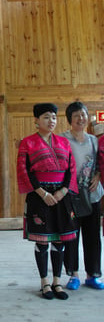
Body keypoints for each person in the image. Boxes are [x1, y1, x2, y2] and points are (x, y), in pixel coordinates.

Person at [17, 103, 78, 300]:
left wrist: (63, 191)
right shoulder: (27, 143)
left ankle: (57, 281)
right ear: (36, 120)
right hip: (39, 196)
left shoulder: (64, 143)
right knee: (42, 241)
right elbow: (24, 170)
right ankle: (44, 282)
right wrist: (42, 193)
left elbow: (71, 169)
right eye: (45, 117)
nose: (50, 121)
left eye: (53, 117)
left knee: (59, 240)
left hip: (61, 195)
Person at [62, 101, 104, 290]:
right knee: (71, 236)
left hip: (92, 195)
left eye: (84, 114)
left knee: (93, 235)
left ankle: (93, 275)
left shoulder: (94, 140)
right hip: (70, 196)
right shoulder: (62, 140)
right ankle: (73, 275)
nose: (81, 118)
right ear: (70, 119)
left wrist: (97, 175)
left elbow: (98, 164)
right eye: (77, 115)